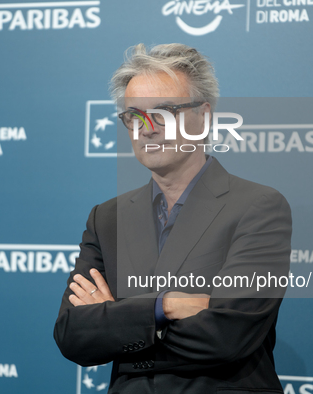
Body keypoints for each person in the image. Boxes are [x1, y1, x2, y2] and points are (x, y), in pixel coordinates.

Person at [54, 43, 292, 393]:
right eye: (134, 115)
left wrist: (118, 321)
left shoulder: (257, 207)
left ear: (204, 116)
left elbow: (226, 336)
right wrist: (165, 306)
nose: (147, 128)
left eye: (164, 111)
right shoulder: (107, 217)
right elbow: (73, 335)